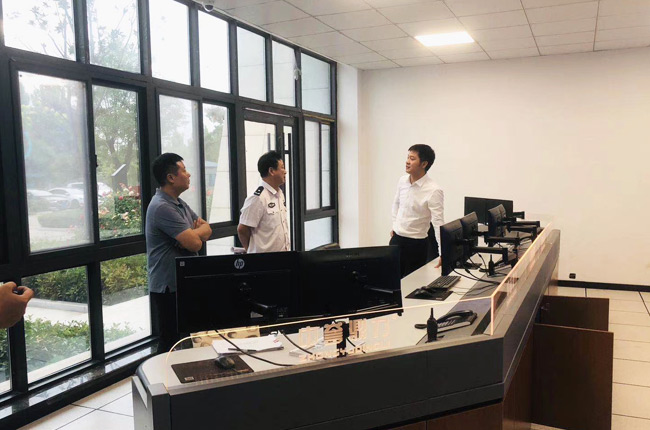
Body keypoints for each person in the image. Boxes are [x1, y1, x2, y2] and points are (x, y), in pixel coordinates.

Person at [146, 153, 212, 353]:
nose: (188, 174)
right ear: (171, 177)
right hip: (168, 286)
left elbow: (207, 229)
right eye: (183, 170)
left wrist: (191, 234)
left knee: (186, 337)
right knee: (170, 341)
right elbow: (195, 244)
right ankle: (159, 372)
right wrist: (192, 236)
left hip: (183, 282)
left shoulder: (179, 203)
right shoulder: (162, 207)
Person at [390, 144, 444, 278]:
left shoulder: (433, 190)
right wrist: (395, 225)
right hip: (396, 240)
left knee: (412, 284)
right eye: (408, 157)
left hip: (416, 245)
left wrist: (443, 253)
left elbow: (438, 223)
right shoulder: (402, 181)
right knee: (392, 282)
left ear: (424, 164)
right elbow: (396, 204)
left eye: (412, 158)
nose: (407, 161)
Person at [237, 151, 290, 253]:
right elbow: (242, 229)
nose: (285, 171)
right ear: (271, 171)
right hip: (264, 259)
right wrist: (251, 251)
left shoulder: (279, 194)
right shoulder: (258, 198)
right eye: (282, 167)